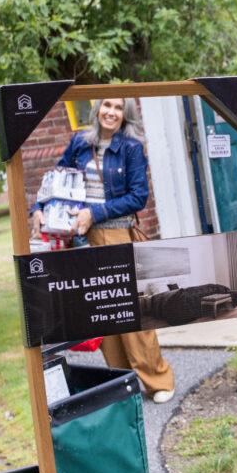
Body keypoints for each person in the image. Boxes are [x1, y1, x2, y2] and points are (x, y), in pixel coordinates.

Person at [32, 98, 176, 404]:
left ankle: (157, 380)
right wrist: (39, 208)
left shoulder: (131, 148)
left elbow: (138, 197)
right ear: (97, 109)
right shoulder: (80, 143)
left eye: (118, 108)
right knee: (103, 313)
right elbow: (56, 179)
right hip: (82, 239)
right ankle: (123, 383)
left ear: (126, 114)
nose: (111, 112)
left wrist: (94, 213)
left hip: (116, 234)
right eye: (106, 105)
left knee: (132, 312)